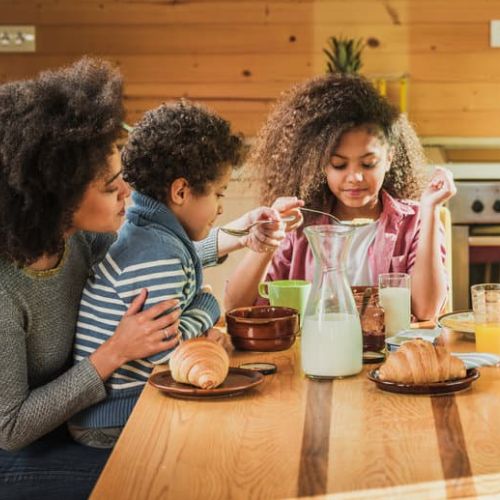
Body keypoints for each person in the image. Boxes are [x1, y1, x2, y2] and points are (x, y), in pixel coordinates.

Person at [0, 60, 292, 498]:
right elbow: (11, 427)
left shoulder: (77, 242)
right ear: (55, 196)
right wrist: (115, 352)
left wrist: (237, 236)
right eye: (109, 186)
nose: (128, 193)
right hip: (26, 455)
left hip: (82, 421)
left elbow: (153, 264)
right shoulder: (7, 293)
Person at [69, 100, 255, 448]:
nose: (220, 207)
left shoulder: (144, 232)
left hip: (115, 408)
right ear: (181, 191)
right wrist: (207, 308)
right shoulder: (159, 252)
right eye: (218, 193)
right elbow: (162, 349)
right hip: (116, 417)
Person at [225, 73, 456, 320]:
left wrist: (430, 209)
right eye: (339, 165)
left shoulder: (414, 221)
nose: (354, 177)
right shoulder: (299, 225)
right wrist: (268, 236)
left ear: (389, 158)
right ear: (321, 164)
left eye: (368, 164)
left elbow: (426, 310)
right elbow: (236, 307)